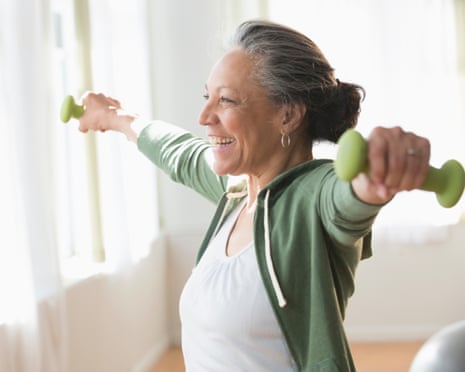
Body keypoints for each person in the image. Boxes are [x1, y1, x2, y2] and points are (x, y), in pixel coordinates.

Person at [78, 20, 430, 371]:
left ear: (288, 114)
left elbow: (346, 198)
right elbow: (180, 153)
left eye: (226, 100)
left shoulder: (312, 197)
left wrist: (375, 178)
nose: (204, 117)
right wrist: (116, 117)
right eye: (207, 97)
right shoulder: (237, 192)